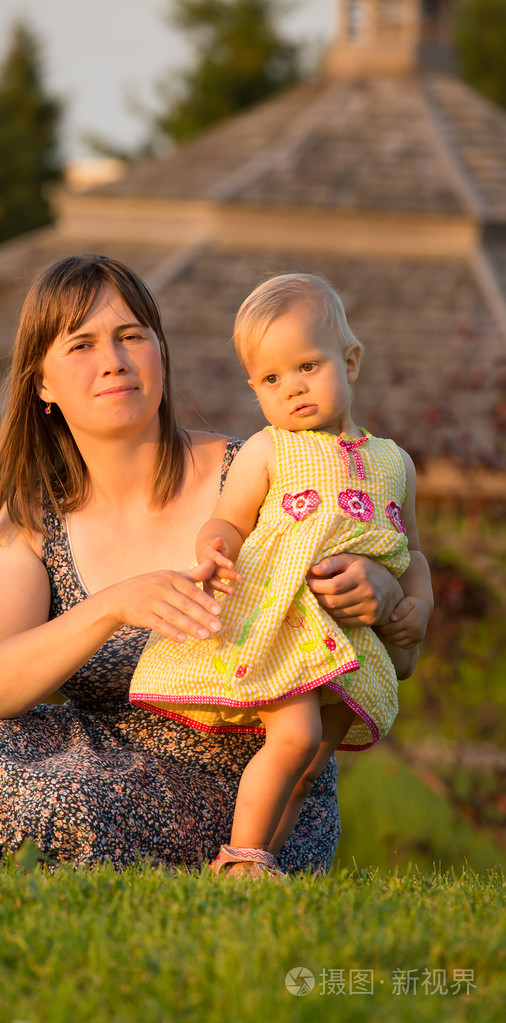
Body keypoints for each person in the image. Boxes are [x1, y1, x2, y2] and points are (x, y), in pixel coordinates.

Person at [0, 256, 405, 872]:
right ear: (42, 384)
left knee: (77, 801)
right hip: (93, 751)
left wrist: (383, 594)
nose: (113, 359)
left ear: (161, 352)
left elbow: (393, 625)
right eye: (81, 344)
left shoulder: (267, 473)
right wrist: (110, 607)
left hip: (246, 781)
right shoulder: (32, 516)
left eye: (131, 335)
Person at [130, 273, 433, 878]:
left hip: (349, 637)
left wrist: (419, 603)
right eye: (271, 379)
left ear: (350, 361)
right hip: (286, 624)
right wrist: (214, 549)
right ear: (255, 389)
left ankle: (263, 859)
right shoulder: (269, 450)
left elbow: (414, 552)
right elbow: (229, 523)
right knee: (291, 739)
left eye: (307, 367)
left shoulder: (395, 462)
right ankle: (240, 858)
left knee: (313, 763)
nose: (291, 388)